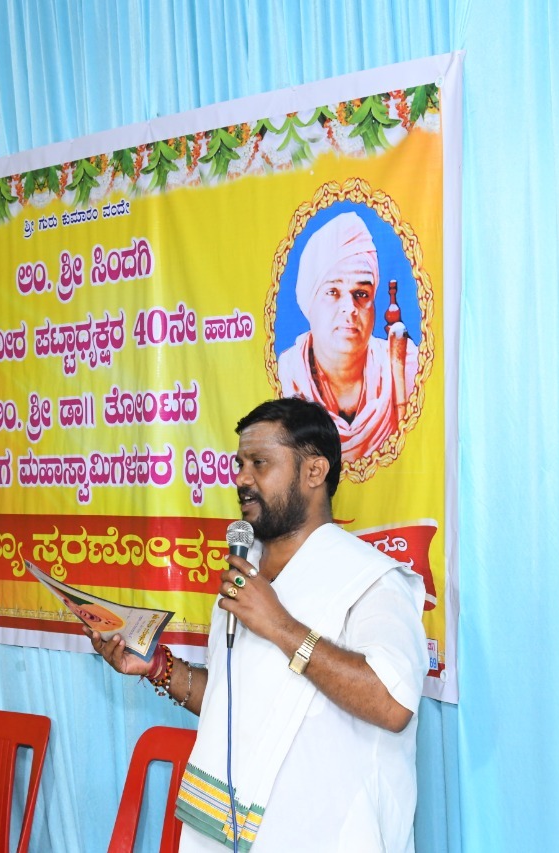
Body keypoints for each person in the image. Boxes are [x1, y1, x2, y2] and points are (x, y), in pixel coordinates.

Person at [89, 398, 427, 851]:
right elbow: (235, 701)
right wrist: (156, 668)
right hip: (231, 834)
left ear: (314, 471)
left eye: (259, 463)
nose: (242, 479)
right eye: (240, 464)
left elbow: (393, 704)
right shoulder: (244, 572)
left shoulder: (371, 581)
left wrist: (280, 626)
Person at [277, 210, 420, 463]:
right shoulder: (287, 376)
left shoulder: (406, 367)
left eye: (361, 294)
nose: (350, 308)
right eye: (333, 292)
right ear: (310, 302)